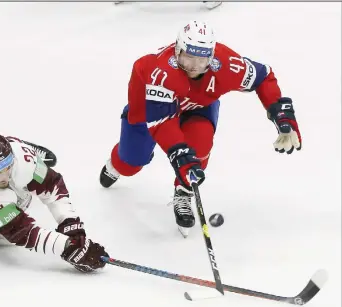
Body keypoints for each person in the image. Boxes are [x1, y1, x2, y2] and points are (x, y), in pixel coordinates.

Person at [99, 20, 302, 237]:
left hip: (197, 106)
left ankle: (184, 191)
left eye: (202, 58)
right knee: (132, 162)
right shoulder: (160, 72)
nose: (194, 65)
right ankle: (117, 164)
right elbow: (162, 124)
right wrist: (179, 153)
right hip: (151, 108)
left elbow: (264, 77)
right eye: (188, 57)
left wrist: (282, 115)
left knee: (200, 143)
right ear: (177, 50)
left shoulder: (228, 65)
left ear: (212, 57)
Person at [0, 129, 108, 272]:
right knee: (3, 234)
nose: (6, 175)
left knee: (24, 178)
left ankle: (15, 140)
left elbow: (52, 184)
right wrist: (67, 247)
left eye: (8, 166)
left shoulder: (19, 157)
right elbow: (20, 231)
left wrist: (70, 223)